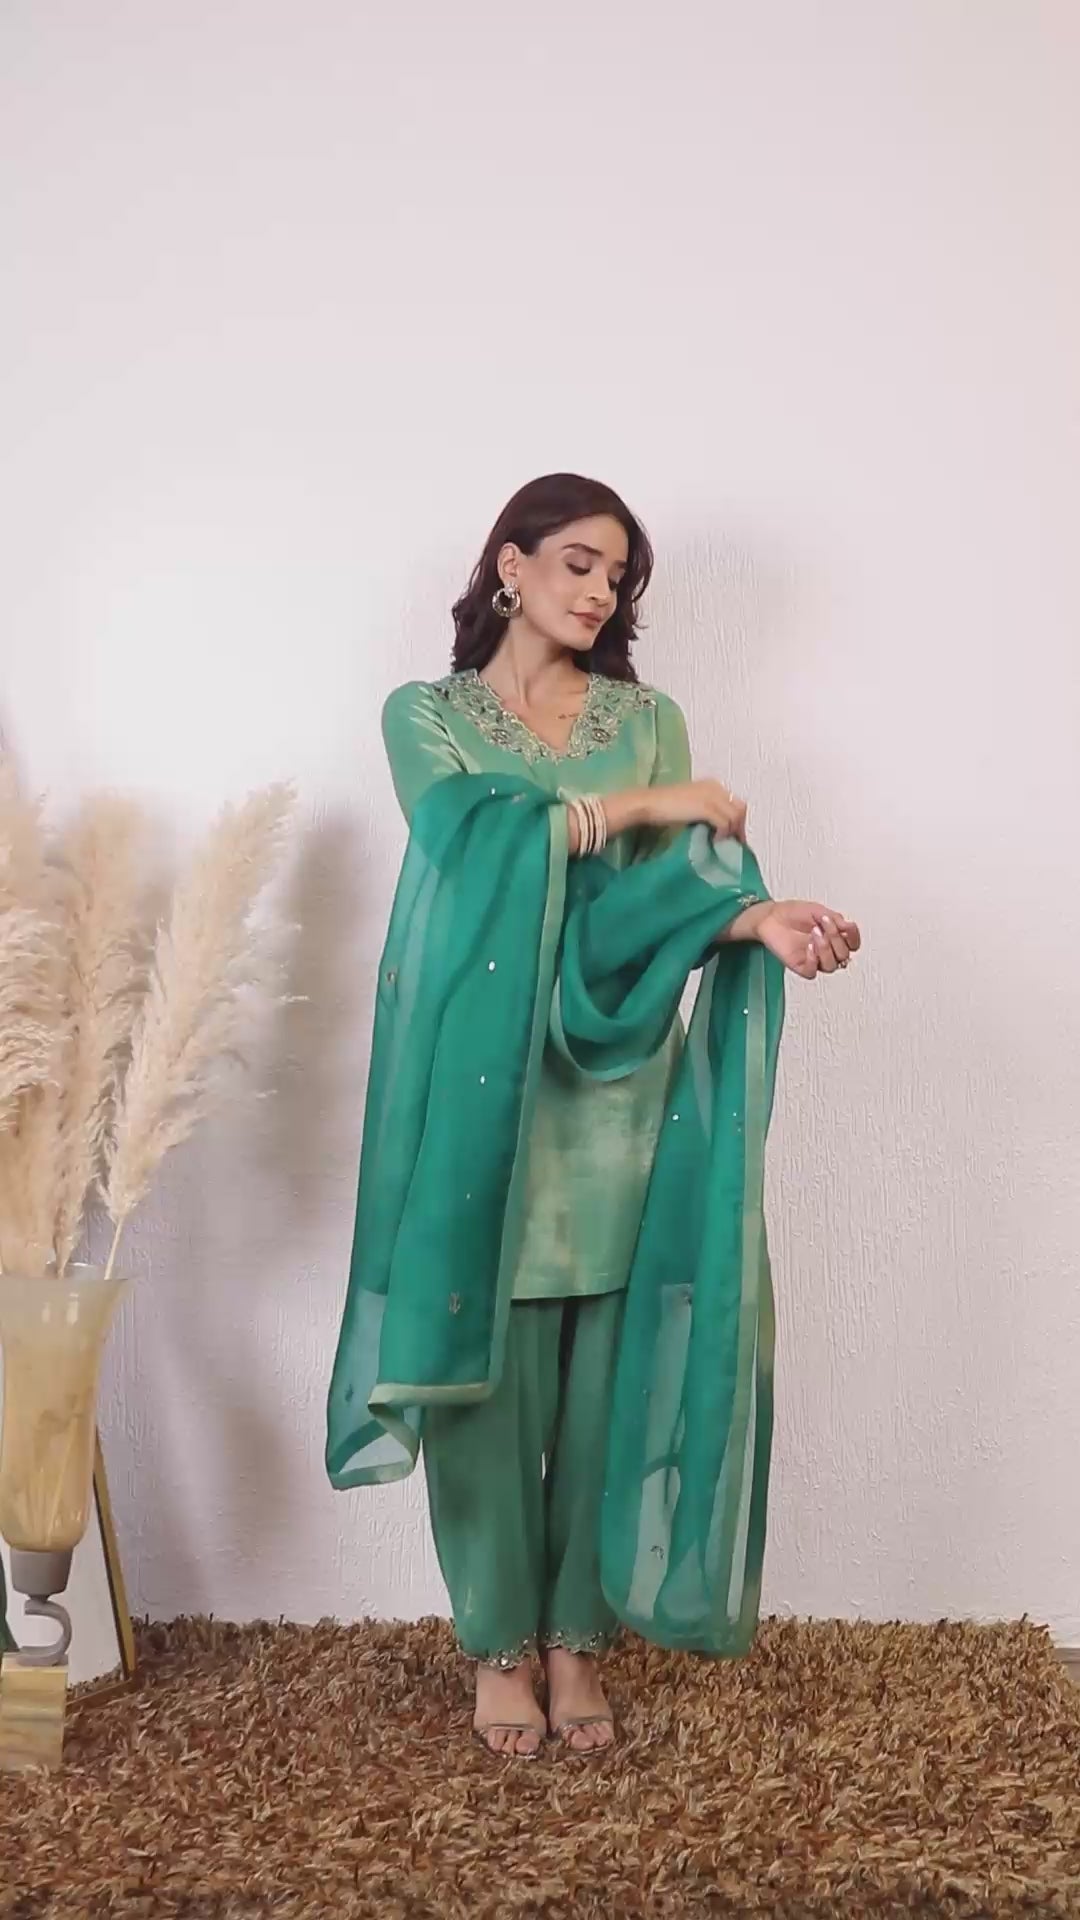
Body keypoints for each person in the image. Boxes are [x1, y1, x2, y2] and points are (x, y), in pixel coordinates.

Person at [326, 473, 860, 1760]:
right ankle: (498, 1647)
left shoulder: (646, 720)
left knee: (602, 1384)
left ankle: (576, 1642)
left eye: (617, 577)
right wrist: (642, 806)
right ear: (508, 566)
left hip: (614, 1091)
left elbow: (658, 903)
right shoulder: (425, 715)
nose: (600, 593)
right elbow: (464, 843)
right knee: (481, 1384)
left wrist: (757, 918)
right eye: (578, 563)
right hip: (478, 1093)